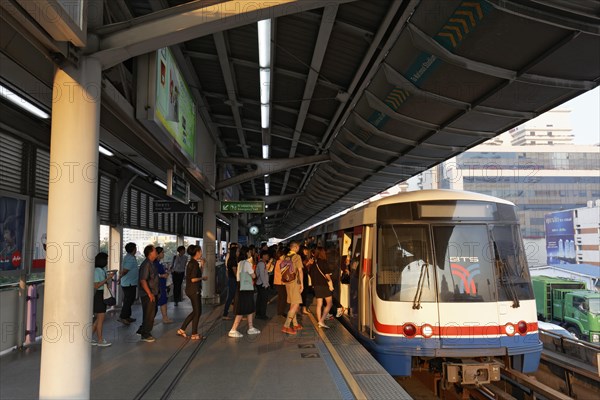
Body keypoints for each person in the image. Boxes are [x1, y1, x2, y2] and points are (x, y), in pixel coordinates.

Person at [228, 246, 261, 338]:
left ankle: (251, 327)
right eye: (249, 252)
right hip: (246, 288)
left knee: (249, 308)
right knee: (242, 309)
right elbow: (253, 276)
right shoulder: (246, 263)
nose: (250, 253)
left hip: (241, 286)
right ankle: (233, 329)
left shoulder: (240, 263)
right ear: (246, 253)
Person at [178, 245, 208, 340]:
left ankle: (183, 330)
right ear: (197, 252)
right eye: (200, 251)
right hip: (194, 290)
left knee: (196, 311)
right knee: (197, 312)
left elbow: (197, 274)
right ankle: (193, 333)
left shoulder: (193, 262)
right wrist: (203, 278)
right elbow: (193, 279)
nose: (201, 253)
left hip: (192, 290)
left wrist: (202, 266)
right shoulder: (194, 264)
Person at [92, 252, 114, 347]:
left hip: (102, 294)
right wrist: (107, 278)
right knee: (100, 319)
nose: (107, 261)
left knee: (99, 318)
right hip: (99, 295)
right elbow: (96, 285)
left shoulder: (102, 270)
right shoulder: (97, 270)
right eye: (106, 259)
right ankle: (100, 340)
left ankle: (89, 338)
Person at [137, 244, 159, 342]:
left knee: (152, 312)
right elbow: (143, 280)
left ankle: (142, 329)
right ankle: (145, 334)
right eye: (155, 250)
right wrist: (149, 293)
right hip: (147, 294)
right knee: (149, 314)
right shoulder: (146, 264)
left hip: (152, 292)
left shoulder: (151, 263)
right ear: (150, 253)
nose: (156, 252)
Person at [281, 241, 304, 335]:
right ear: (295, 247)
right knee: (296, 304)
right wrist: (302, 283)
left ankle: (295, 324)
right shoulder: (297, 257)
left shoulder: (285, 257)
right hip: (295, 282)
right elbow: (300, 271)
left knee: (293, 303)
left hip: (287, 282)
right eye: (298, 247)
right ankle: (286, 326)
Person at [310, 246, 333, 328]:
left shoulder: (313, 264)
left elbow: (311, 274)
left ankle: (320, 322)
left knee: (319, 304)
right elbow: (327, 275)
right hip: (324, 285)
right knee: (329, 303)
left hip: (316, 286)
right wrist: (330, 282)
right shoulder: (324, 262)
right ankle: (321, 320)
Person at [118, 242, 138, 325]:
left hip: (130, 282)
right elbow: (125, 270)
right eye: (135, 248)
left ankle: (127, 316)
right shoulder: (130, 258)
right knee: (128, 301)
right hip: (128, 283)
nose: (136, 249)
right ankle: (123, 317)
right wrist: (120, 278)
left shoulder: (130, 257)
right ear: (133, 249)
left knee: (130, 300)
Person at [154, 247, 173, 324]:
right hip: (158, 286)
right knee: (159, 302)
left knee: (163, 301)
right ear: (157, 254)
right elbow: (153, 275)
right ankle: (161, 318)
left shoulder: (159, 263)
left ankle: (165, 317)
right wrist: (162, 275)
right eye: (162, 252)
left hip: (162, 285)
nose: (163, 254)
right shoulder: (154, 264)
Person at [222, 242, 239, 320]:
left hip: (231, 279)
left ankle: (235, 313)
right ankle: (225, 314)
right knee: (231, 297)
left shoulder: (231, 259)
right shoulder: (233, 260)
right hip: (233, 280)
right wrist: (238, 279)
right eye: (237, 251)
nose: (238, 252)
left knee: (232, 297)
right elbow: (235, 271)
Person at [255, 250, 270, 320]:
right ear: (263, 256)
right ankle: (262, 315)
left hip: (260, 283)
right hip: (262, 284)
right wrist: (265, 284)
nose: (268, 257)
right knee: (263, 300)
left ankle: (258, 314)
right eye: (267, 255)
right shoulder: (261, 264)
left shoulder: (262, 263)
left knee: (259, 299)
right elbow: (262, 274)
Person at [273, 248, 288, 317]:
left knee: (280, 297)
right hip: (282, 282)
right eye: (283, 255)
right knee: (283, 297)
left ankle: (279, 311)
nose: (284, 256)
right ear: (280, 256)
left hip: (277, 281)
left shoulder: (277, 261)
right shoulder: (282, 262)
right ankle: (281, 312)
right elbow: (285, 272)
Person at [300, 245, 314, 315]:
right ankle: (303, 308)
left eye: (307, 250)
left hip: (304, 275)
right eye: (305, 250)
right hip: (302, 276)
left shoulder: (305, 258)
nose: (306, 251)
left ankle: (303, 308)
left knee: (304, 293)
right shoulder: (300, 258)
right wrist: (308, 263)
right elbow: (301, 268)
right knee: (303, 293)